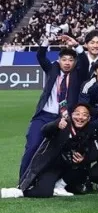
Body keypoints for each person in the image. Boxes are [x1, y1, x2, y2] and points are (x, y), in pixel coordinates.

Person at [4, 103, 98, 199]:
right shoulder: (63, 124)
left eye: (84, 115)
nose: (80, 117)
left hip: (71, 168)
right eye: (77, 114)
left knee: (81, 175)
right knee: (44, 192)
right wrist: (56, 124)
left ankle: (60, 186)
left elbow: (95, 152)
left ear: (89, 118)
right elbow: (45, 130)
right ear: (71, 115)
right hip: (52, 167)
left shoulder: (91, 130)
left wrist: (83, 159)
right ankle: (17, 192)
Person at [21, 46, 80, 179]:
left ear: (75, 62)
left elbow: (85, 62)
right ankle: (22, 181)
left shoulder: (77, 75)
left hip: (62, 119)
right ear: (59, 60)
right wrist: (46, 42)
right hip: (43, 116)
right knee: (32, 146)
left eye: (70, 60)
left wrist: (77, 46)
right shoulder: (52, 69)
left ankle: (52, 181)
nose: (67, 63)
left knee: (57, 152)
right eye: (64, 59)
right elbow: (41, 56)